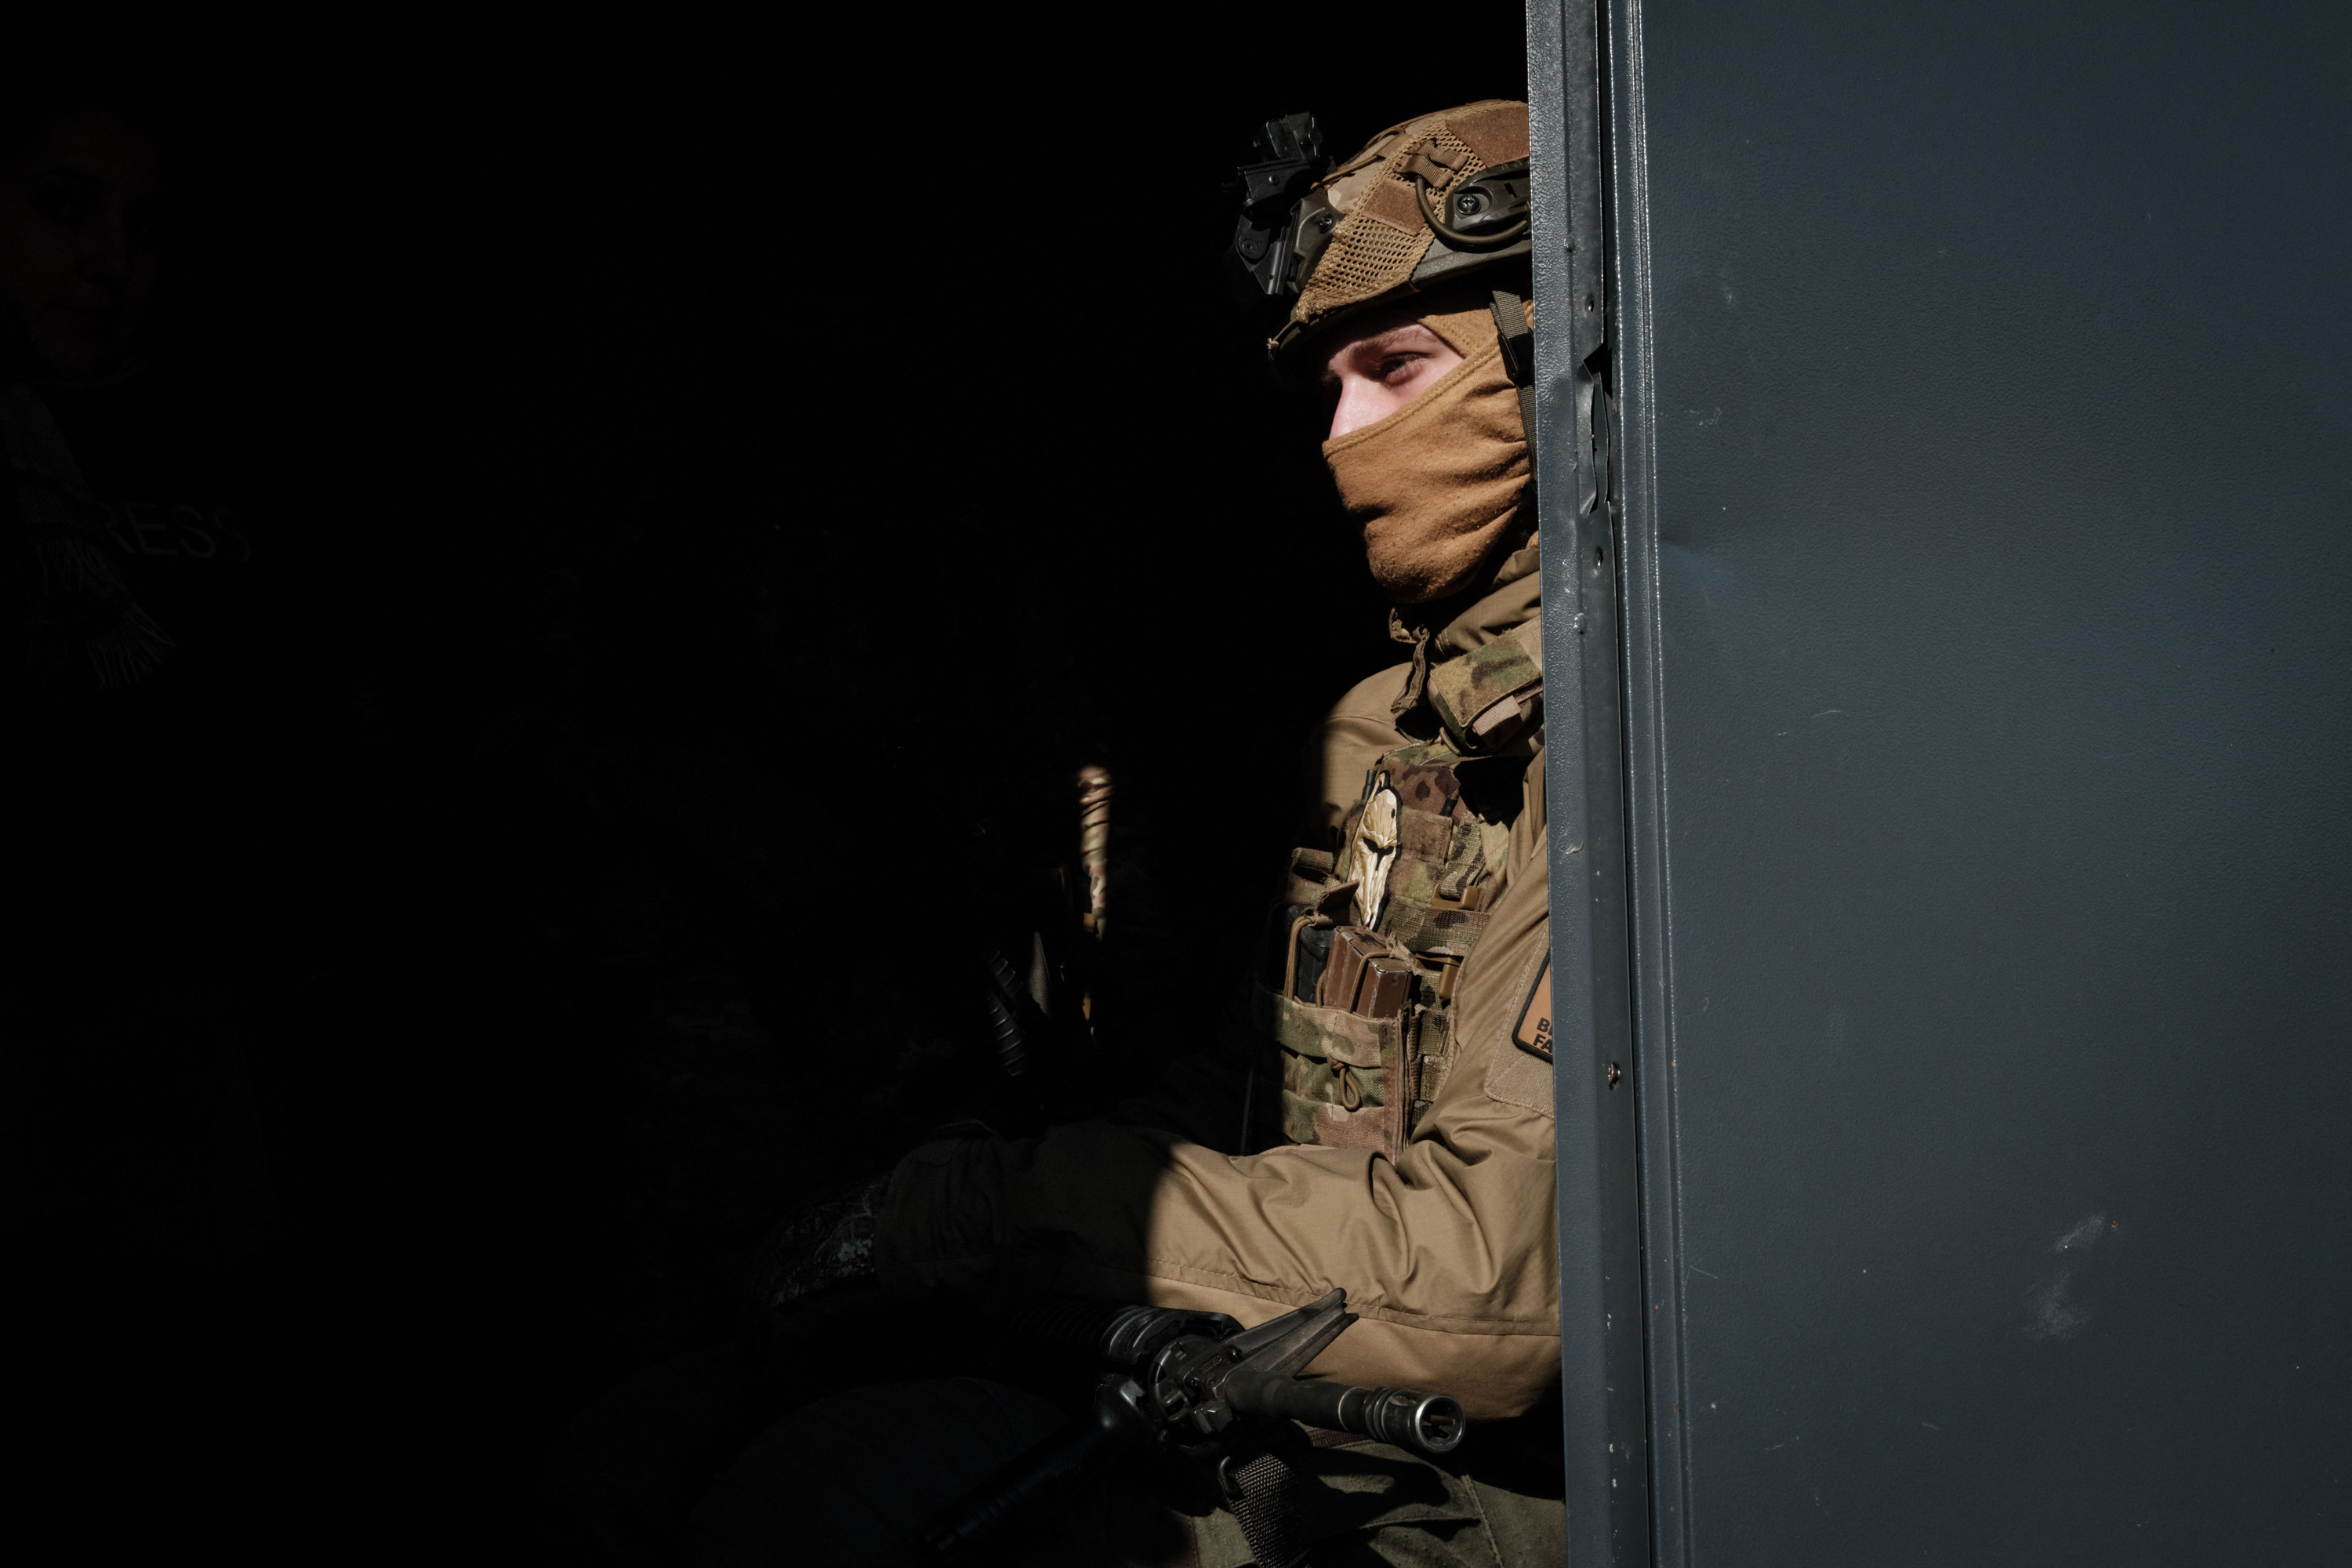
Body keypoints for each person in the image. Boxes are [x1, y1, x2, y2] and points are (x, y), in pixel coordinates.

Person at [602, 98, 1563, 1567]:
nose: (1347, 440)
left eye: (1399, 368)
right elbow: (1265, 1100)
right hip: (1293, 1396)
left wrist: (994, 1218)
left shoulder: (1629, 744)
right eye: (1322, 393)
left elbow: (1497, 1285)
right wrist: (969, 1205)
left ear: (1550, 359)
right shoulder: (1401, 729)